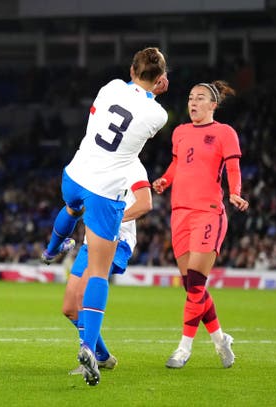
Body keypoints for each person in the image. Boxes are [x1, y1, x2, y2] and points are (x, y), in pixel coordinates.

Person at [41, 47, 169, 386]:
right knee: (78, 298)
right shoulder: (155, 117)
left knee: (71, 210)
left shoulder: (110, 88)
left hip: (77, 173)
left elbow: (144, 203)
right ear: (160, 81)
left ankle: (52, 250)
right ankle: (94, 351)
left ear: (131, 69)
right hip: (102, 195)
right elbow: (142, 118)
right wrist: (154, 94)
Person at [152, 80, 249, 369]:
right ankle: (220, 340)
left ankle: (184, 348)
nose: (193, 102)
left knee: (195, 283)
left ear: (213, 105)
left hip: (208, 212)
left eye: (200, 98)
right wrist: (165, 180)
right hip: (179, 212)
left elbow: (233, 167)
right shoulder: (180, 133)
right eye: (191, 97)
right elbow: (176, 165)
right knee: (191, 286)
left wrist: (235, 192)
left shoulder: (224, 132)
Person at [64, 159, 152, 375]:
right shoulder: (97, 162)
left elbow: (144, 203)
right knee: (69, 308)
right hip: (89, 241)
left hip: (116, 238)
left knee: (84, 292)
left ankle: (89, 356)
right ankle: (103, 357)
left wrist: (112, 219)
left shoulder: (132, 164)